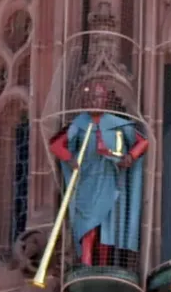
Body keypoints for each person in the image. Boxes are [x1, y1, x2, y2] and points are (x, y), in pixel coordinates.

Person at [48, 82, 148, 267]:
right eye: (91, 97)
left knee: (107, 225)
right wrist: (70, 158)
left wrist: (129, 157)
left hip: (110, 179)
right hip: (87, 179)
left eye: (99, 97)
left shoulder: (117, 123)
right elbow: (56, 145)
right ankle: (86, 263)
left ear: (107, 100)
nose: (95, 100)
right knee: (87, 225)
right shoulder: (79, 124)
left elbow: (142, 142)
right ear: (85, 100)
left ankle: (103, 266)